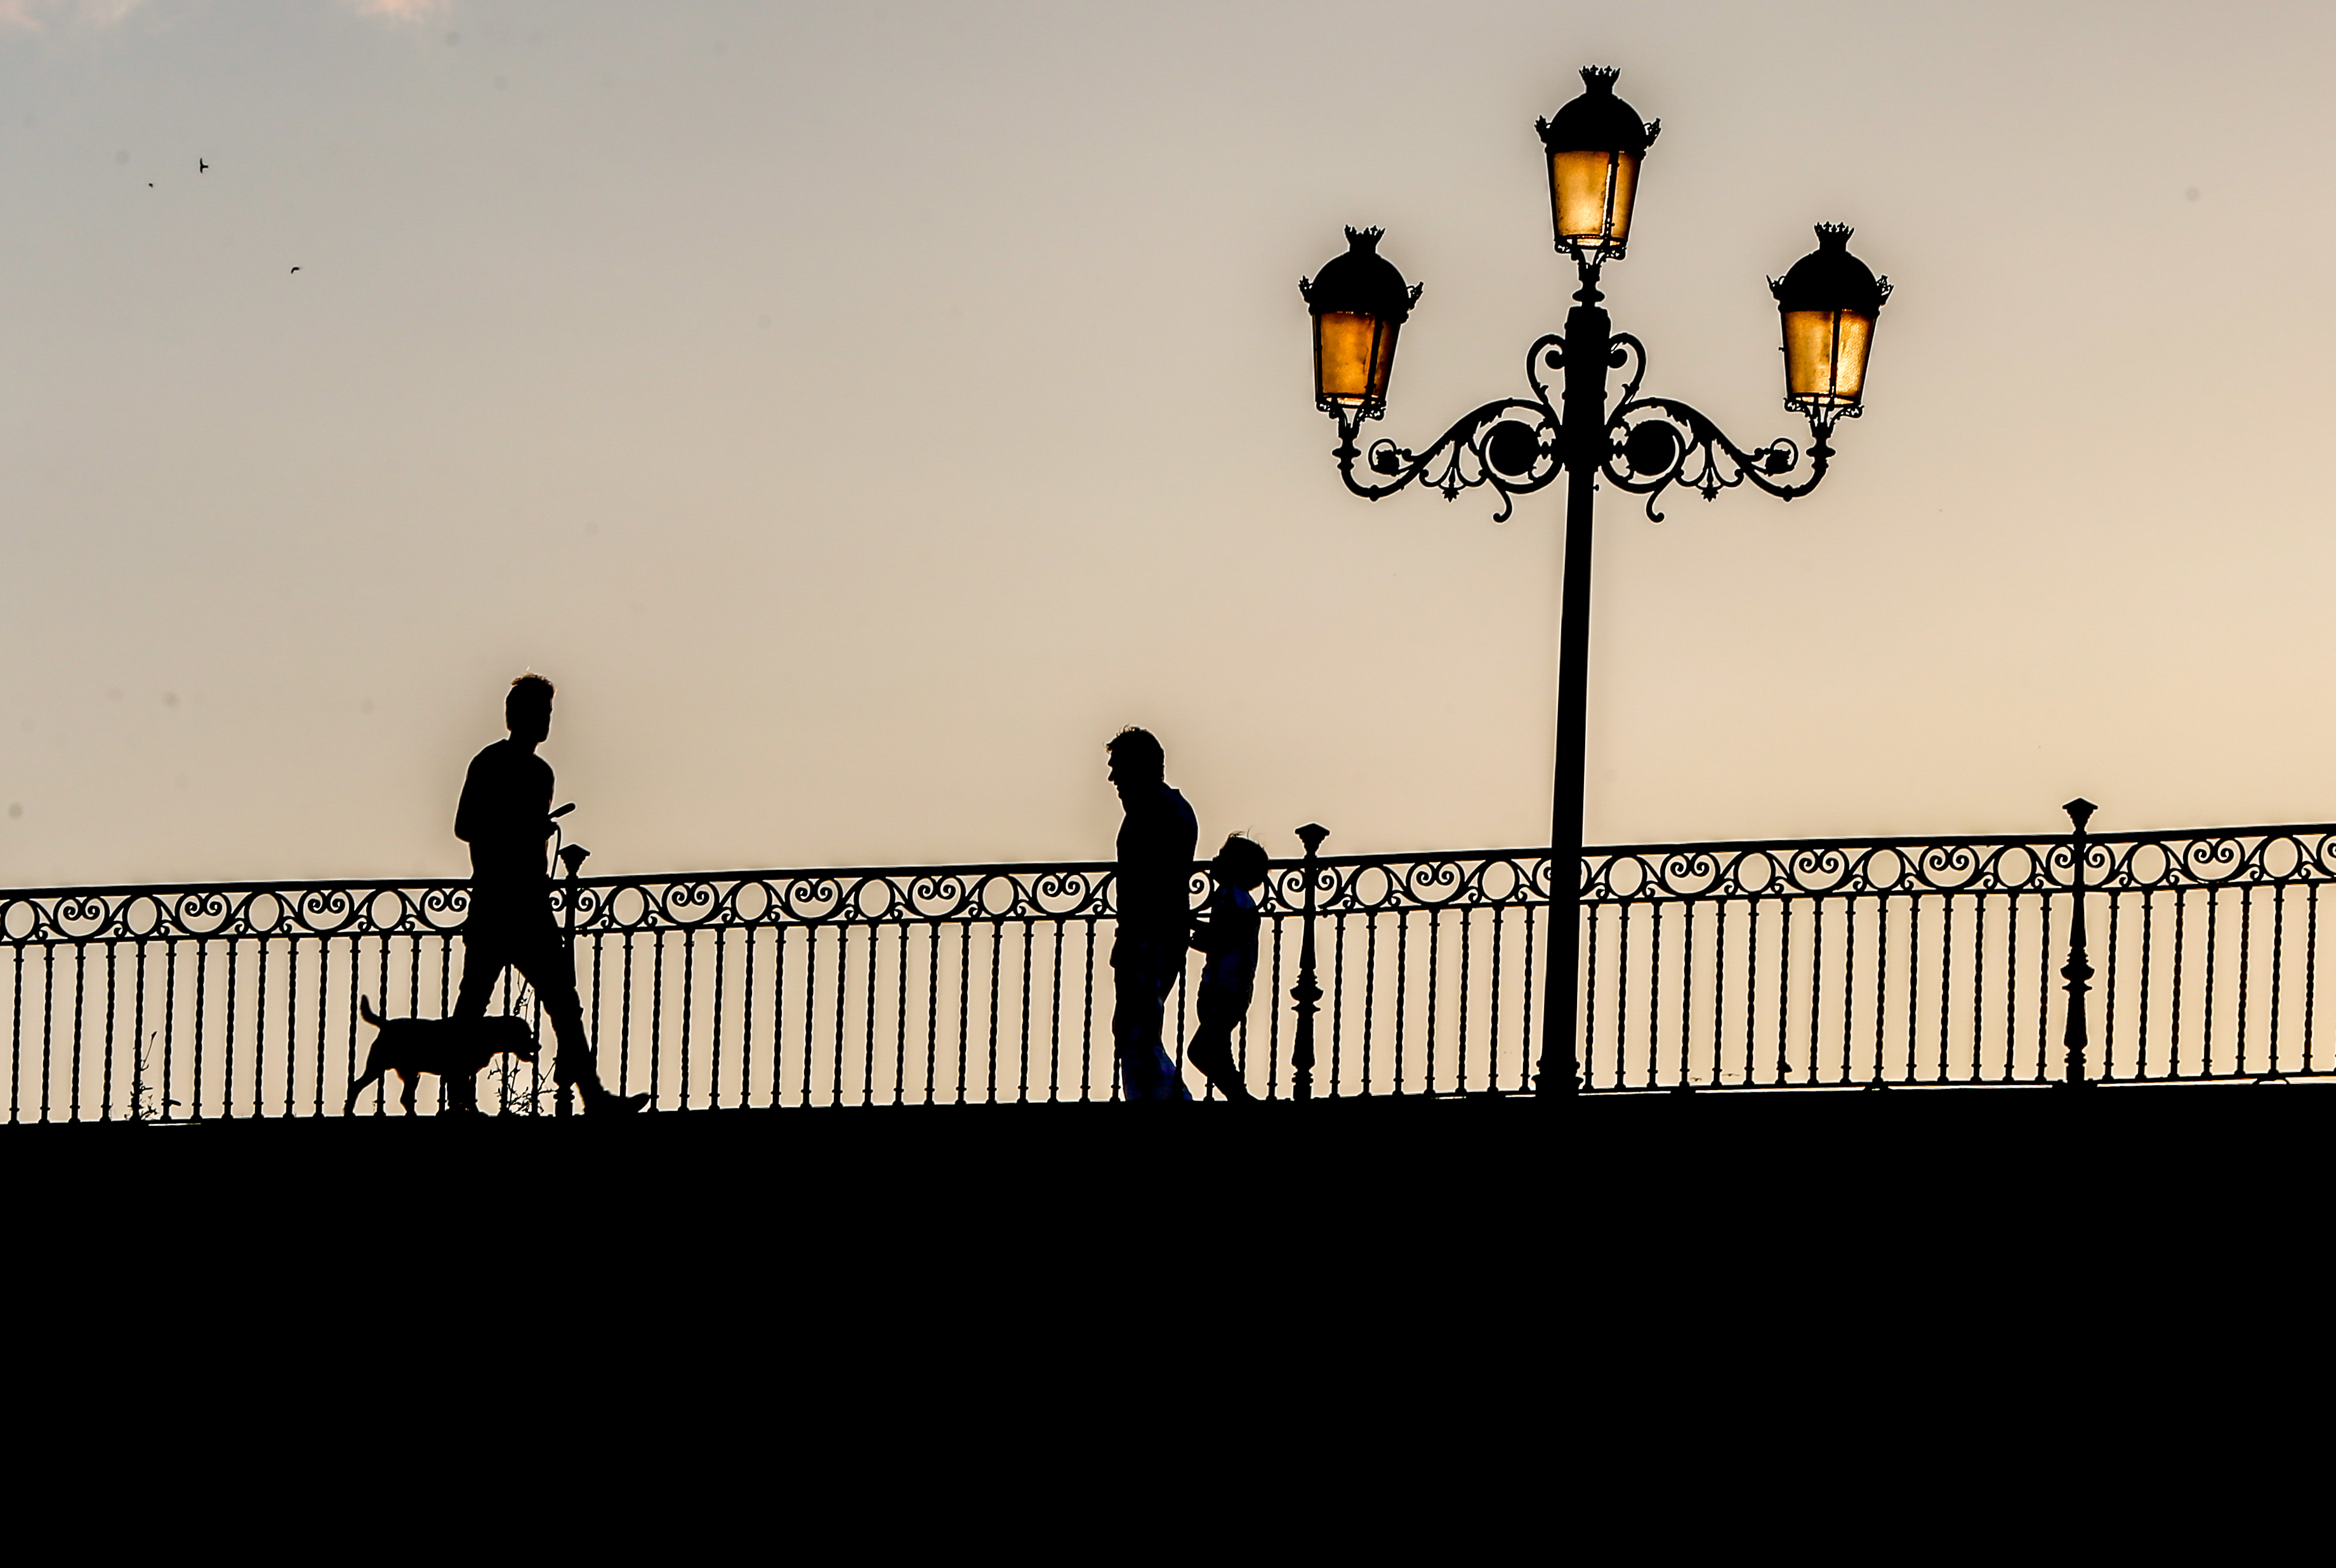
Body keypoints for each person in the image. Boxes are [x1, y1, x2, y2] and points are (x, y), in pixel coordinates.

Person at [450, 674, 645, 1114]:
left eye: (549, 713)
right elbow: (465, 825)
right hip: (497, 905)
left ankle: (592, 1095)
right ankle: (459, 1097)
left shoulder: (541, 773)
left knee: (563, 1004)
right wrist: (521, 828)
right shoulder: (489, 763)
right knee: (474, 1005)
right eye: (540, 712)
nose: (546, 721)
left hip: (532, 908)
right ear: (516, 716)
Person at [1107, 726, 1196, 1102]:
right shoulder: (1167, 809)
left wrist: (1132, 940)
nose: (1112, 778)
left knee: (1136, 1030)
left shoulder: (1155, 812)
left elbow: (1152, 884)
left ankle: (1167, 1103)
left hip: (1149, 938)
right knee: (1134, 1029)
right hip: (1152, 937)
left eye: (1118, 768)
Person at [1186, 834, 1266, 1102]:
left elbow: (1222, 937)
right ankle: (1240, 1098)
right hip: (1229, 990)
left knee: (1201, 1051)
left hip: (1224, 990)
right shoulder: (1235, 897)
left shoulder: (1232, 897)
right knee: (1216, 1052)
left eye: (1222, 857)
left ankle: (1241, 1099)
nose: (1215, 860)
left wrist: (1187, 930)